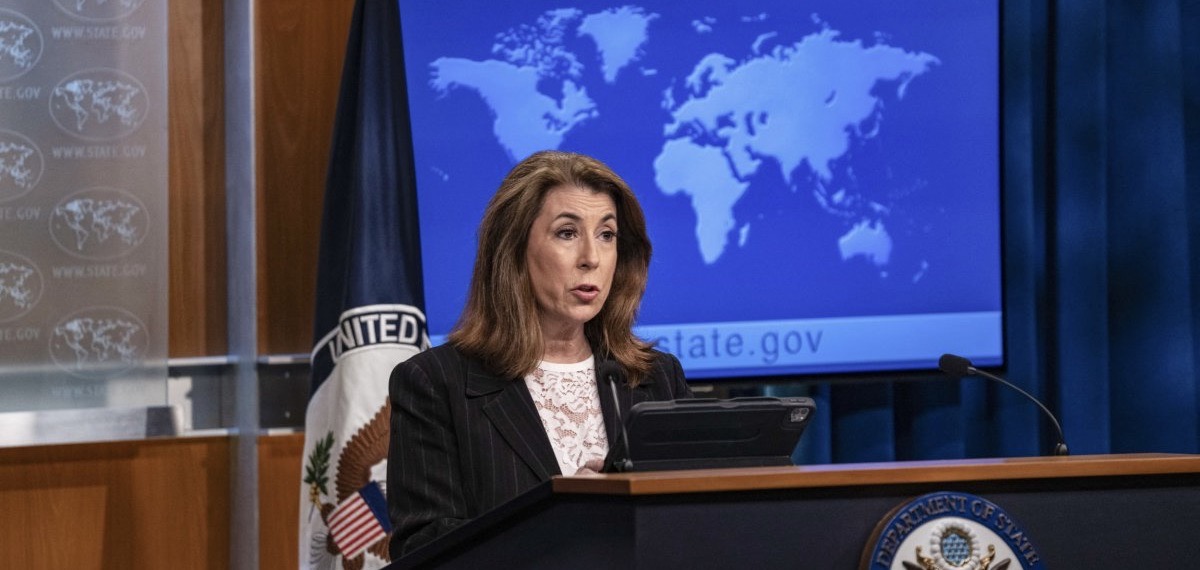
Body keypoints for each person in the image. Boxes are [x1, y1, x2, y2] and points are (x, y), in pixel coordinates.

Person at [387, 150, 693, 557]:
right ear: (514, 249)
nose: (592, 258)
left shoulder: (657, 377)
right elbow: (424, 548)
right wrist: (559, 520)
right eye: (567, 233)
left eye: (607, 235)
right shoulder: (436, 384)